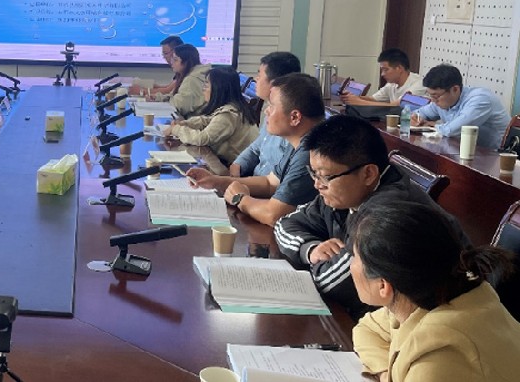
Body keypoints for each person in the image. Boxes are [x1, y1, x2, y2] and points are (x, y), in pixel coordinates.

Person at [274, 115, 468, 318]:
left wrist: (314, 264)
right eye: (314, 173)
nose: (317, 184)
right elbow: (284, 224)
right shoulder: (343, 193)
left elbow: (330, 283)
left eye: (325, 176)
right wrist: (310, 249)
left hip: (438, 319)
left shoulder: (387, 215)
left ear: (368, 174)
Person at [351, 201, 520, 382]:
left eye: (355, 257)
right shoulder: (427, 295)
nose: (351, 265)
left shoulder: (439, 352)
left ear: (383, 285)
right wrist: (386, 374)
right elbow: (365, 329)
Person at [187, 73, 324, 226]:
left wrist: (240, 199)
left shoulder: (310, 152)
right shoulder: (299, 141)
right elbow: (270, 183)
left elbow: (274, 215)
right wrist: (215, 181)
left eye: (272, 106)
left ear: (295, 117)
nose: (266, 111)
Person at [163, 66, 259, 165]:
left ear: (218, 89)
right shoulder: (233, 106)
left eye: (206, 85)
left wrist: (177, 130)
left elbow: (202, 139)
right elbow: (208, 121)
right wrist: (185, 124)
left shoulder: (228, 115)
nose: (203, 89)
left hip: (236, 169)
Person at [230, 51, 301, 178]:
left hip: (263, 187)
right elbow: (256, 147)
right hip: (251, 180)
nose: (255, 79)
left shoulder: (290, 122)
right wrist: (238, 165)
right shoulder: (271, 110)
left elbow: (274, 183)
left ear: (275, 83)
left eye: (259, 75)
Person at [411, 63, 510, 149]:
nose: (433, 100)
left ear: (455, 89)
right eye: (430, 95)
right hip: (464, 149)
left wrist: (431, 125)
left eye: (436, 96)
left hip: (495, 154)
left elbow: (455, 130)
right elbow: (419, 113)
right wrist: (416, 119)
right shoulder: (441, 101)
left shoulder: (480, 99)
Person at [340, 48, 426, 106]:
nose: (382, 74)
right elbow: (374, 99)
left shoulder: (419, 84)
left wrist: (359, 102)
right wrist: (352, 98)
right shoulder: (392, 84)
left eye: (386, 70)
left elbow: (396, 105)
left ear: (399, 68)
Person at [166, 43, 211, 118]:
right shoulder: (197, 74)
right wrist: (160, 98)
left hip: (194, 120)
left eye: (175, 60)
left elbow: (181, 106)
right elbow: (176, 96)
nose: (171, 62)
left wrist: (170, 100)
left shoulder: (191, 79)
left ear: (186, 62)